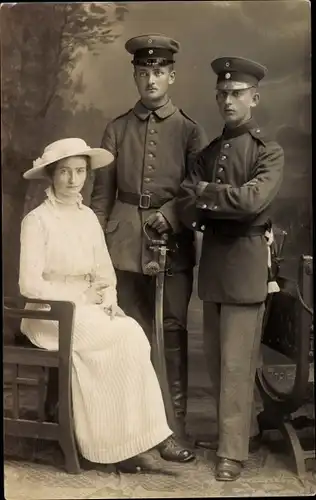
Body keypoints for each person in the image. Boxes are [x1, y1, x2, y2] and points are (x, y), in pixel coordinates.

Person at [19, 138, 195, 473]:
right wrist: (76, 300)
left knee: (130, 332)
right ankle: (106, 443)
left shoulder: (87, 219)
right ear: (51, 176)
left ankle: (139, 438)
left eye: (81, 171)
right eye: (65, 172)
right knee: (115, 339)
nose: (74, 179)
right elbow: (29, 285)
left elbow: (103, 270)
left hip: (86, 308)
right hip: (48, 314)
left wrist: (109, 300)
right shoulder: (37, 220)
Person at [90, 34, 208, 439]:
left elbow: (197, 189)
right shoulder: (117, 128)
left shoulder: (190, 131)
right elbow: (101, 196)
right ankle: (130, 429)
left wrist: (171, 215)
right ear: (135, 76)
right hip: (122, 244)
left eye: (159, 72)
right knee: (127, 334)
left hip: (171, 248)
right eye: (144, 73)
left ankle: (173, 429)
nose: (151, 80)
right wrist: (96, 250)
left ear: (172, 76)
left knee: (171, 331)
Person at [176, 57, 284, 481]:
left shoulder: (268, 152)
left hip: (246, 264)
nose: (227, 100)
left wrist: (206, 196)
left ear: (254, 98)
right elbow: (187, 206)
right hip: (216, 264)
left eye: (236, 93)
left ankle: (232, 452)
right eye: (222, 93)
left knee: (238, 365)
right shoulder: (207, 153)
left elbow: (252, 202)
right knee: (217, 362)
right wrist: (216, 200)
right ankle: (234, 435)